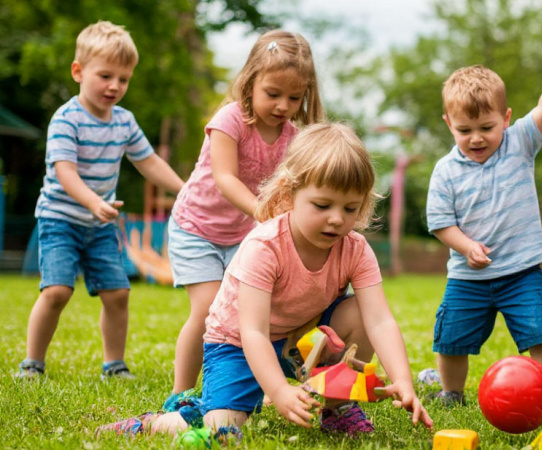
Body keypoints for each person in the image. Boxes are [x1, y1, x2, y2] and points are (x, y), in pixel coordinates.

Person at [100, 123, 433, 439]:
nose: (336, 219)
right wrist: (279, 392)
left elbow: (379, 319)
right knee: (223, 428)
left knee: (360, 309)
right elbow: (253, 331)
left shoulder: (355, 248)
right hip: (237, 343)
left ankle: (335, 405)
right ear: (290, 194)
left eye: (350, 208)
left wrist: (403, 380)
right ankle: (157, 422)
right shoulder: (265, 245)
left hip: (302, 338)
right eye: (322, 204)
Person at [425, 40, 542, 417]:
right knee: (450, 338)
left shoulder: (518, 143)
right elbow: (440, 224)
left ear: (506, 117)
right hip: (468, 277)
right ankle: (451, 392)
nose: (477, 138)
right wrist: (465, 246)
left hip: (521, 272)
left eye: (487, 126)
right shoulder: (445, 171)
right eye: (465, 130)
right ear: (449, 124)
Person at [16, 21, 184, 379]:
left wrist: (183, 189)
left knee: (118, 293)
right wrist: (93, 201)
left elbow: (149, 161)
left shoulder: (124, 121)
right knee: (58, 291)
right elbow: (65, 171)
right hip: (60, 219)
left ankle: (114, 364)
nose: (115, 86)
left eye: (123, 79)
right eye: (105, 75)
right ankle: (33, 362)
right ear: (78, 71)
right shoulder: (66, 118)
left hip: (101, 224)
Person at [164, 30, 323, 405]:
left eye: (294, 97)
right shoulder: (229, 120)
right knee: (206, 310)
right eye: (273, 94)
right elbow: (224, 179)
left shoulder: (292, 137)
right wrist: (261, 211)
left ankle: (263, 382)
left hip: (243, 236)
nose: (283, 105)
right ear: (250, 82)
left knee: (248, 314)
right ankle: (181, 394)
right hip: (196, 228)